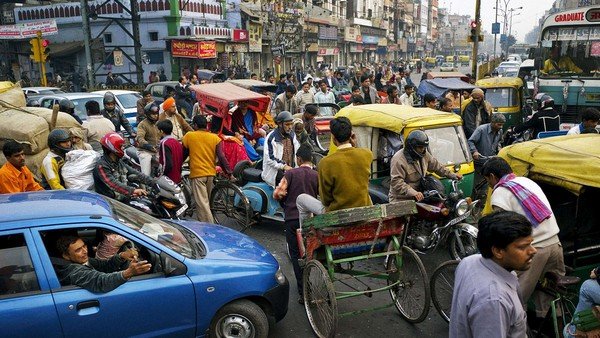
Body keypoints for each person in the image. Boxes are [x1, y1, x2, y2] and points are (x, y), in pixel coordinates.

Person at [482, 156, 565, 320]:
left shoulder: (500, 192)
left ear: (492, 176)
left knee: (516, 298)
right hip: (555, 244)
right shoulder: (527, 182)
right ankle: (556, 328)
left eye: (487, 180)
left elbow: (503, 230)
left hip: (533, 250)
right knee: (551, 298)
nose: (489, 185)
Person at [450, 211, 535, 338]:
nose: (533, 250)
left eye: (531, 243)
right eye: (523, 247)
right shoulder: (494, 301)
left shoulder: (469, 262)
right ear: (498, 251)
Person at [296, 117, 372, 227]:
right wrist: (354, 145)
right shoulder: (367, 154)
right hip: (363, 211)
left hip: (337, 215)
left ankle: (305, 232)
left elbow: (325, 199)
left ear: (333, 137)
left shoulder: (325, 163)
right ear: (351, 134)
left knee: (301, 199)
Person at [273, 144, 318, 303]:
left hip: (292, 220)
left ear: (298, 159)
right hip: (310, 221)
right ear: (311, 159)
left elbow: (277, 194)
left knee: (296, 256)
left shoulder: (290, 174)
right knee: (311, 253)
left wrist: (285, 203)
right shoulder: (316, 175)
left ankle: (303, 292)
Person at [55, 235, 151, 293]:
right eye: (78, 250)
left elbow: (104, 266)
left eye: (84, 246)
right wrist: (129, 272)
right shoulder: (74, 271)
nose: (85, 251)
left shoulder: (82, 260)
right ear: (66, 256)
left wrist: (122, 256)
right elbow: (101, 281)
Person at [388, 130, 462, 202]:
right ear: (411, 147)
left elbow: (437, 166)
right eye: (420, 147)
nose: (423, 149)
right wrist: (413, 193)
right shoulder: (398, 160)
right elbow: (396, 182)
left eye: (424, 147)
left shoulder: (424, 154)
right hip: (402, 198)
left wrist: (452, 175)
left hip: (421, 194)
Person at [183, 115, 231, 222]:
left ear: (195, 125)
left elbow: (184, 154)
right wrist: (229, 172)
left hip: (197, 174)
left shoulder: (189, 136)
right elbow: (221, 156)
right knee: (207, 203)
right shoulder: (215, 138)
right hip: (210, 174)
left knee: (203, 205)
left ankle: (209, 228)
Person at [94, 132, 154, 201]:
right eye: (121, 146)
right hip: (110, 202)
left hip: (123, 197)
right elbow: (113, 184)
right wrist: (132, 191)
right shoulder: (101, 166)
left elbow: (135, 172)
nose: (123, 148)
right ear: (113, 148)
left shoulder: (118, 162)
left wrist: (153, 182)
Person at [262, 111, 300, 187]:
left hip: (290, 169)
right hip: (276, 172)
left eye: (291, 124)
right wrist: (284, 166)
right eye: (287, 124)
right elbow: (269, 158)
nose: (290, 127)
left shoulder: (292, 134)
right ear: (280, 124)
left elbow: (297, 151)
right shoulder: (272, 137)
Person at [136, 103, 161, 176]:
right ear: (148, 114)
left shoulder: (159, 123)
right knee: (146, 174)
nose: (155, 115)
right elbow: (139, 138)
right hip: (145, 151)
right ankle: (145, 186)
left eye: (156, 113)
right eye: (153, 114)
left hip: (157, 150)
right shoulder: (142, 124)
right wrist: (147, 145)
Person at [157, 119, 184, 184]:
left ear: (161, 131)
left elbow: (167, 164)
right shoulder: (177, 142)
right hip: (178, 177)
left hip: (169, 179)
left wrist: (161, 176)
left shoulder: (164, 143)